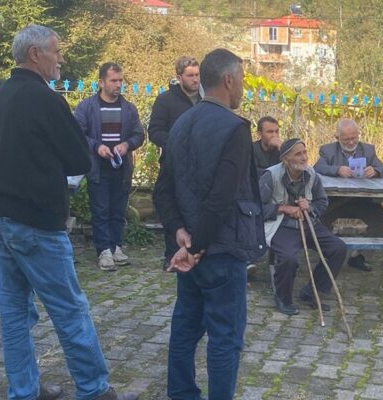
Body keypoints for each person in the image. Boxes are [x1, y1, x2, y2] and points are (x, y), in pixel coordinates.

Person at [0, 24, 137, 400]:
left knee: (15, 312)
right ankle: (94, 390)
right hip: (36, 223)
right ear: (36, 55)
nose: (61, 58)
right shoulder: (47, 100)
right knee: (69, 309)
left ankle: (24, 389)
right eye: (56, 51)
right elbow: (78, 158)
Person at [152, 48, 266, 399]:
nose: (244, 87)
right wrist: (198, 245)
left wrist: (180, 235)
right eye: (243, 79)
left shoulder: (182, 122)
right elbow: (222, 198)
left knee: (185, 328)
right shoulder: (234, 128)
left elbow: (162, 191)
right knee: (225, 337)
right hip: (218, 250)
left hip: (190, 248)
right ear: (229, 79)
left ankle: (181, 393)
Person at [260, 139, 347, 315]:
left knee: (338, 248)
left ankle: (312, 292)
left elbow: (322, 201)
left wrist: (310, 207)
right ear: (286, 159)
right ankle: (283, 297)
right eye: (298, 154)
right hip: (281, 226)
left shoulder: (311, 174)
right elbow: (255, 207)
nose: (304, 157)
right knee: (289, 258)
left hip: (308, 223)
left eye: (305, 152)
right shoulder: (271, 176)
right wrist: (283, 208)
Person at [74, 62, 145, 271]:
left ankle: (116, 247)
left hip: (121, 168)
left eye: (121, 80)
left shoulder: (129, 108)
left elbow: (139, 134)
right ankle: (103, 250)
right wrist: (96, 146)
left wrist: (127, 144)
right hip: (98, 167)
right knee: (100, 210)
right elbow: (77, 134)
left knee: (118, 210)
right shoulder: (87, 107)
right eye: (114, 80)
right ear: (101, 82)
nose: (118, 85)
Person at [315, 118, 383, 271]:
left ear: (358, 135)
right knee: (319, 217)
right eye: (346, 139)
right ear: (337, 138)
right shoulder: (327, 150)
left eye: (354, 138)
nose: (350, 142)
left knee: (380, 217)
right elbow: (317, 167)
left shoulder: (368, 150)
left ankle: (360, 256)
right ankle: (329, 255)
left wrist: (375, 171)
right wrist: (337, 169)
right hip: (334, 201)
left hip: (362, 202)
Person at [149, 56, 201, 270]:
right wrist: (176, 145)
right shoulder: (165, 101)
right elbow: (155, 131)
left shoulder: (206, 100)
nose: (195, 80)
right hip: (173, 163)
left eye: (197, 75)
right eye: (190, 75)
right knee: (173, 206)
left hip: (199, 164)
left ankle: (195, 249)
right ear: (179, 77)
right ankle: (171, 253)